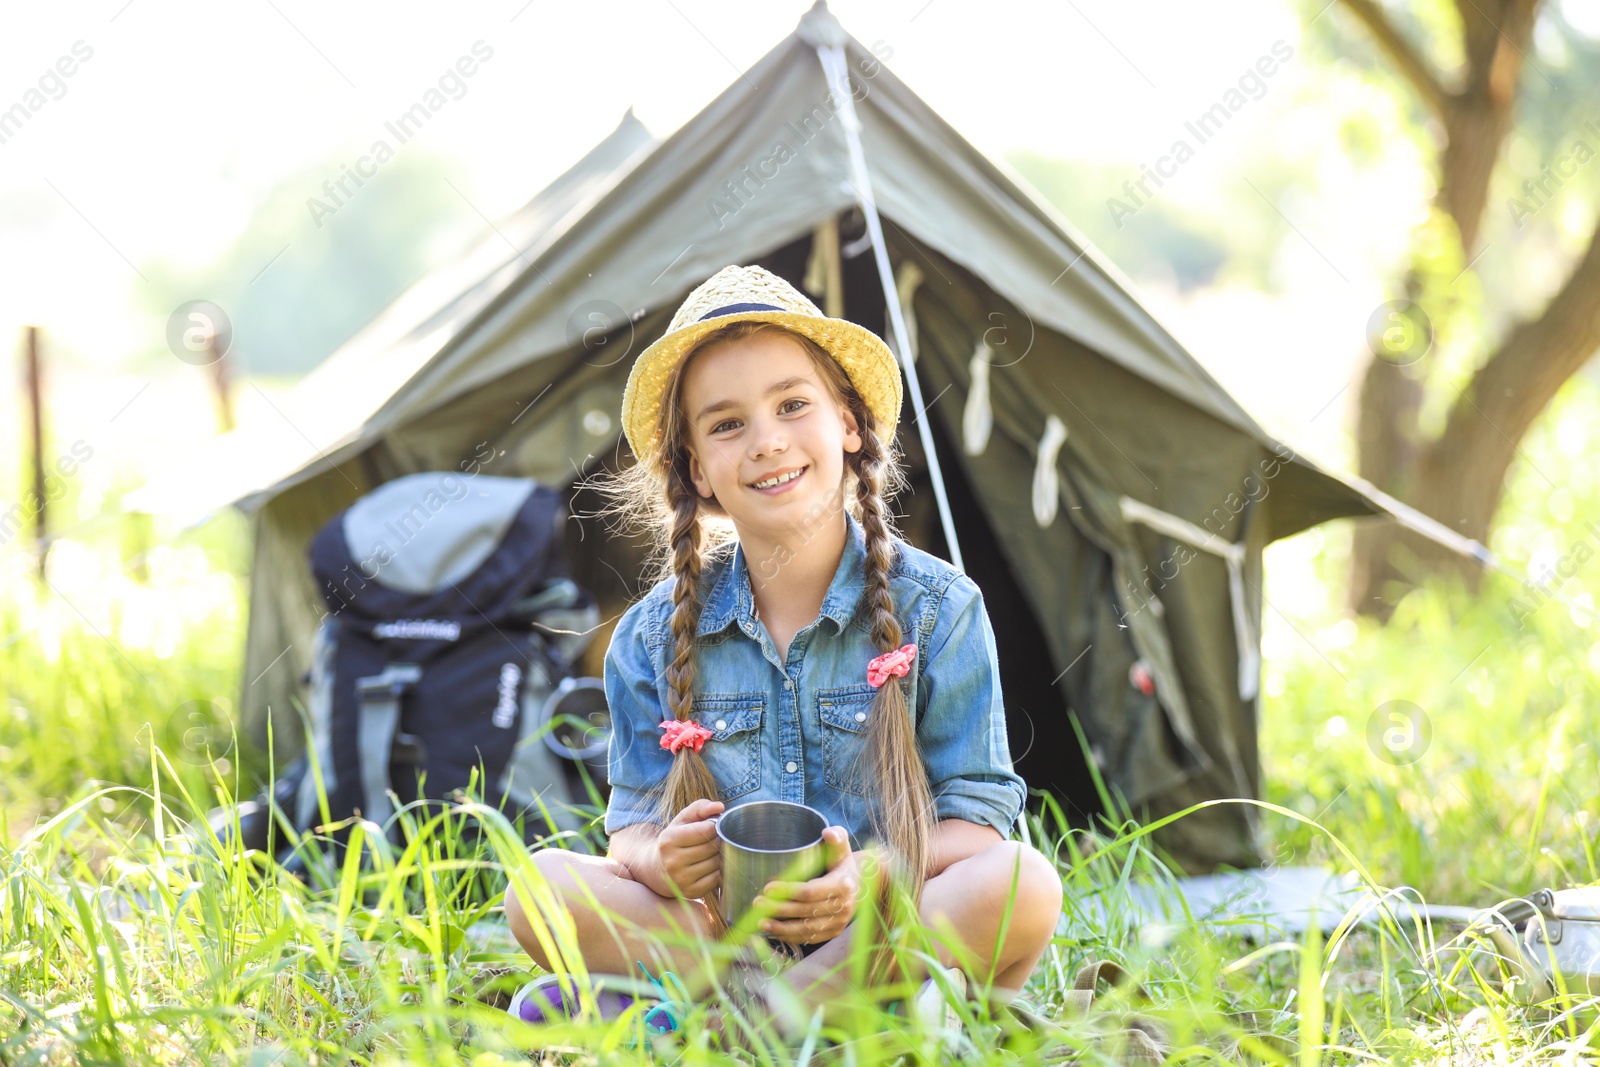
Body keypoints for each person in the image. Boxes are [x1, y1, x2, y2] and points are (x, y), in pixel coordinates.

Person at [504, 264, 1062, 1039]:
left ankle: (727, 1026)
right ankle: (837, 1023)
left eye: (793, 405)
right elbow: (628, 826)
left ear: (848, 423)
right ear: (697, 468)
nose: (767, 441)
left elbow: (980, 822)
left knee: (1022, 883)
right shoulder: (647, 637)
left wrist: (874, 873)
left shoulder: (939, 609)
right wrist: (663, 859)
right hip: (718, 939)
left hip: (875, 935)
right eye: (727, 424)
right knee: (541, 885)